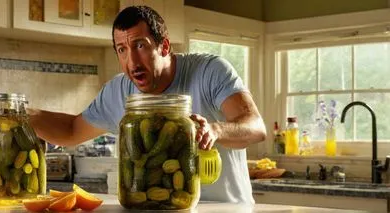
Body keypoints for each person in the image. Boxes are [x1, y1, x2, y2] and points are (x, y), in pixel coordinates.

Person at [28, 5, 266, 203]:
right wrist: (22, 115)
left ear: (164, 46)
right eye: (122, 50)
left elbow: (256, 127)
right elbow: (71, 130)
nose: (132, 62)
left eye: (140, 46)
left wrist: (215, 130)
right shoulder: (118, 91)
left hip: (225, 209)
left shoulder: (209, 71)